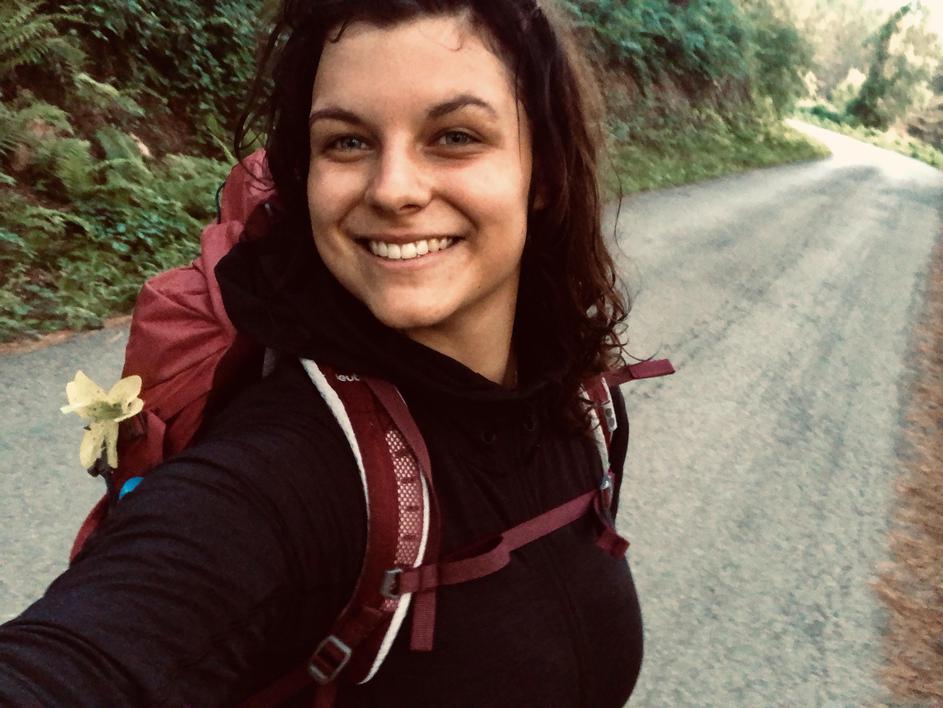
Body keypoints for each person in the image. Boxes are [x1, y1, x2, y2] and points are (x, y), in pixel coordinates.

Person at [0, 1, 647, 705]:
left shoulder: (574, 399)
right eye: (347, 142)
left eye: (454, 136)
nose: (393, 189)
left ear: (543, 171)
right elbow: (79, 659)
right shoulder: (281, 475)